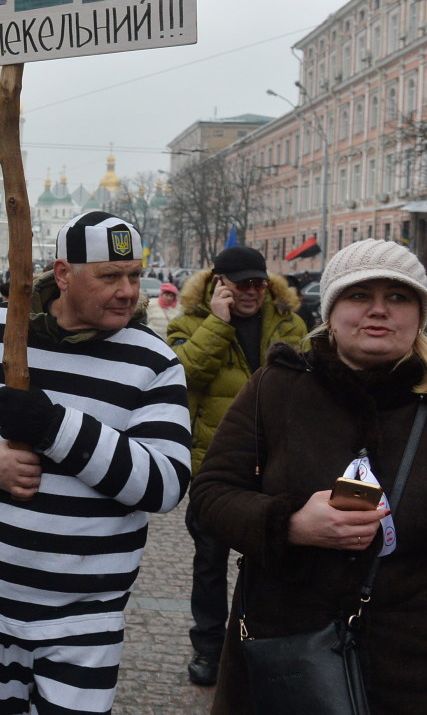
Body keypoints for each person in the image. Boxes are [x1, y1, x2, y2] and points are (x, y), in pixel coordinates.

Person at [190, 238, 427, 714]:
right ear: (331, 312)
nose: (378, 311)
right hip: (287, 654)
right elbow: (211, 497)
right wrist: (289, 523)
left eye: (397, 298)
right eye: (359, 296)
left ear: (420, 314)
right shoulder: (276, 387)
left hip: (419, 666)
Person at [0, 211, 191, 713]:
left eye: (133, 275)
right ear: (63, 275)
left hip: (83, 622)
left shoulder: (153, 362)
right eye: (110, 276)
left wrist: (55, 429)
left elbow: (165, 483)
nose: (129, 290)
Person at [165, 245, 308, 686]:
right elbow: (183, 374)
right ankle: (208, 648)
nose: (250, 291)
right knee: (209, 562)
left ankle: (258, 645)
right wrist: (217, 324)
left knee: (270, 558)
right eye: (240, 283)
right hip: (213, 464)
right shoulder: (187, 323)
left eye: (257, 283)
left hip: (275, 463)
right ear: (218, 284)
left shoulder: (288, 322)